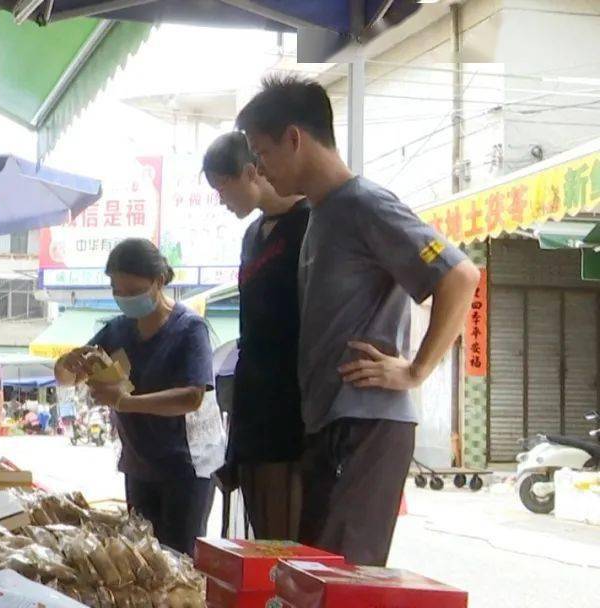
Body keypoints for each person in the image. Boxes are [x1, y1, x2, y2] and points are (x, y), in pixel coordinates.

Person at [236, 75, 481, 566]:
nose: (260, 169)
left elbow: (460, 274)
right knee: (318, 574)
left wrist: (415, 371)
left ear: (294, 138)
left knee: (343, 578)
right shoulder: (319, 215)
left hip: (366, 423)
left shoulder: (365, 204)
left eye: (262, 153)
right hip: (330, 423)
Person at [55, 238, 215, 556]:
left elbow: (192, 397)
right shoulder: (117, 331)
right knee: (143, 562)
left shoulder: (190, 329)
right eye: (118, 291)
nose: (124, 299)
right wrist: (66, 363)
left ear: (158, 281)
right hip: (139, 464)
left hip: (185, 469)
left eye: (133, 290)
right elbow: (69, 378)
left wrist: (125, 403)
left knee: (178, 563)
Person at [203, 131, 310, 541]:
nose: (221, 199)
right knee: (259, 530)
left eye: (222, 187)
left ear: (251, 172)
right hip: (254, 401)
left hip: (293, 401)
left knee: (290, 531)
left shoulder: (311, 223)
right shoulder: (253, 234)